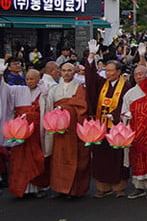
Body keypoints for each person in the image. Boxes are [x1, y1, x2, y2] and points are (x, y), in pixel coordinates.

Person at [83, 41, 132, 198]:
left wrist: (117, 116)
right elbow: (90, 79)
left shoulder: (126, 86)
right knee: (101, 157)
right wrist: (91, 56)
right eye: (106, 71)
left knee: (116, 157)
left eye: (111, 71)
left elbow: (128, 104)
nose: (108, 74)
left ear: (119, 72)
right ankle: (103, 187)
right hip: (101, 126)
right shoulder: (102, 83)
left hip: (117, 127)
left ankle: (119, 187)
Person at [0, 65, 48, 198]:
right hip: (20, 131)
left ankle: (38, 188)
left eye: (32, 79)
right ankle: (23, 188)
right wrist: (1, 74)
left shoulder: (44, 91)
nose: (29, 81)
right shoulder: (18, 90)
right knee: (20, 159)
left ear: (38, 79)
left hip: (36, 132)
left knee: (36, 158)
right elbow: (4, 89)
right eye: (27, 79)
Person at [45, 63, 89, 197]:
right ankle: (59, 188)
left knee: (74, 158)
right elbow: (49, 108)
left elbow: (82, 107)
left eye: (69, 70)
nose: (66, 73)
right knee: (58, 158)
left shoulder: (80, 88)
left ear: (74, 72)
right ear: (59, 72)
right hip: (58, 130)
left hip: (72, 129)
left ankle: (74, 189)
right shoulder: (53, 89)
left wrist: (66, 110)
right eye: (63, 71)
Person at [121, 63, 147, 199]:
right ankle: (138, 187)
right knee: (137, 158)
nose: (139, 77)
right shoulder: (130, 93)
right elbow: (124, 110)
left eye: (141, 74)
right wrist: (126, 116)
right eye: (136, 75)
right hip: (136, 131)